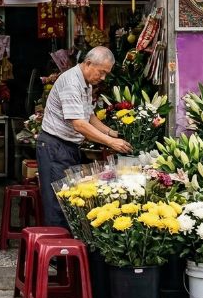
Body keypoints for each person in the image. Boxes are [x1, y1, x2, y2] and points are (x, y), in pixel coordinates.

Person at [37, 47, 132, 228]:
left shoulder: (85, 83)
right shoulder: (72, 83)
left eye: (106, 73)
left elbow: (89, 116)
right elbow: (79, 124)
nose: (103, 78)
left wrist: (112, 133)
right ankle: (57, 254)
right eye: (101, 72)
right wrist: (111, 142)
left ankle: (66, 252)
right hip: (54, 147)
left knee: (68, 200)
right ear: (88, 63)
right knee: (57, 204)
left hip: (68, 147)